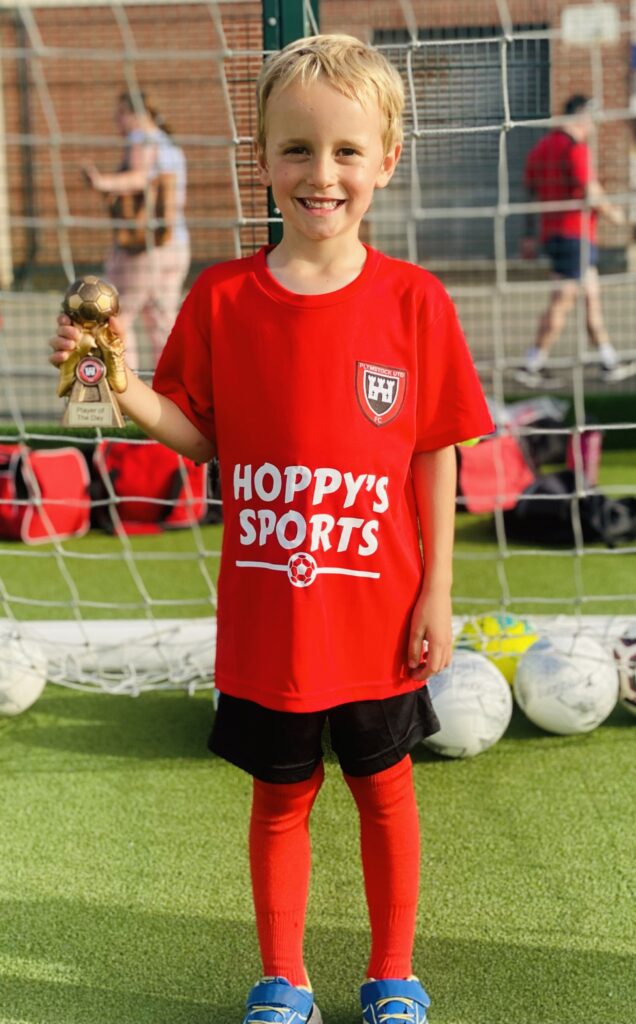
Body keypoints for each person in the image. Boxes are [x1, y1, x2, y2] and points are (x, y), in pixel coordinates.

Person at [50, 35, 493, 1024]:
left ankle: (393, 977)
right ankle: (283, 980)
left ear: (386, 159)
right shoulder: (221, 297)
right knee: (281, 798)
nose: (320, 174)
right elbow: (196, 436)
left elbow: (436, 450)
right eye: (296, 150)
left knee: (385, 791)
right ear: (261, 158)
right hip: (272, 618)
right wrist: (119, 386)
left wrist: (438, 590)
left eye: (344, 152)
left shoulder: (416, 302)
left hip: (378, 614)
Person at [517, 93, 631, 388]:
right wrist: (620, 217)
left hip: (556, 235)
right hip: (574, 237)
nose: (594, 123)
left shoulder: (542, 147)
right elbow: (591, 193)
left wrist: (529, 235)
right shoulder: (575, 149)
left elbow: (530, 190)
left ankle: (608, 361)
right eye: (591, 116)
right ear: (580, 115)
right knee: (563, 300)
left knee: (591, 297)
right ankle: (532, 363)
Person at [83, 90, 190, 370]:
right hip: (175, 244)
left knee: (118, 318)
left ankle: (126, 390)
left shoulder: (140, 138)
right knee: (162, 323)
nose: (116, 122)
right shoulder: (169, 144)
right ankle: (169, 393)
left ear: (135, 114)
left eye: (120, 115)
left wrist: (101, 183)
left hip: (144, 248)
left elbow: (139, 177)